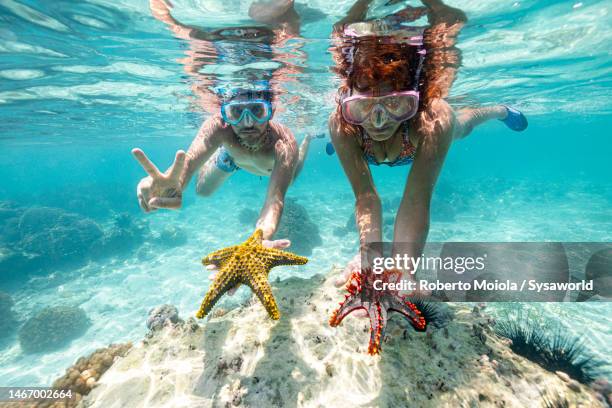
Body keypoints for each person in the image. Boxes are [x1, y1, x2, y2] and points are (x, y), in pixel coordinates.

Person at [329, 0, 528, 286]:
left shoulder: (433, 119)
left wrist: (402, 268)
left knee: (461, 125)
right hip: (365, 144)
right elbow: (366, 197)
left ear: (416, 100)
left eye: (396, 104)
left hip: (425, 137)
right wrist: (369, 257)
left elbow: (416, 197)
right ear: (349, 105)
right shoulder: (342, 124)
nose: (378, 121)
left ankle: (499, 110)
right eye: (363, 108)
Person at [133, 86, 317, 241]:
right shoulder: (220, 126)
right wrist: (175, 183)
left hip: (276, 165)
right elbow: (188, 162)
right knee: (203, 191)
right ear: (225, 113)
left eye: (257, 110)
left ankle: (306, 141)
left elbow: (274, 200)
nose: (247, 123)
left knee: (292, 177)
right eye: (236, 112)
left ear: (271, 112)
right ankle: (228, 157)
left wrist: (261, 236)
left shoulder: (284, 142)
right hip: (236, 158)